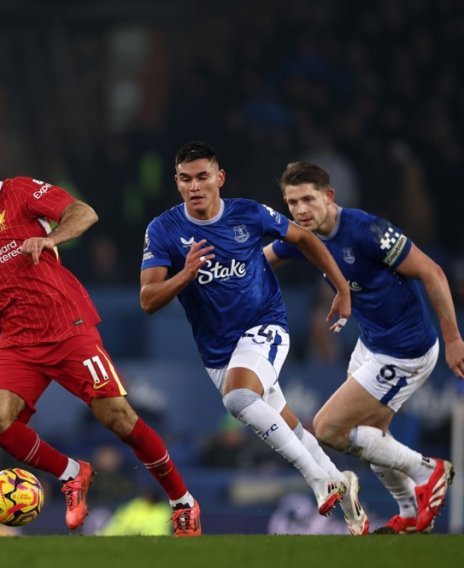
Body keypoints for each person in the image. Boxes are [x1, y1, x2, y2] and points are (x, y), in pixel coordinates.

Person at [0, 138, 201, 536]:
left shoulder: (20, 191)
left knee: (118, 418)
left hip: (65, 326)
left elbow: (84, 213)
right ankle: (72, 473)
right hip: (16, 341)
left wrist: (51, 238)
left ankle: (183, 502)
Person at [139, 141, 368, 535]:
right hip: (218, 352)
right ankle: (347, 497)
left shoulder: (247, 212)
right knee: (289, 425)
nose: (195, 186)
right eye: (186, 179)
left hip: (265, 326)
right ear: (177, 183)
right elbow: (147, 300)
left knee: (239, 398)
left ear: (219, 178)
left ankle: (319, 479)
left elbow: (305, 239)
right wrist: (185, 274)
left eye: (203, 177)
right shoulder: (163, 230)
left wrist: (341, 287)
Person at [263, 161, 462, 534]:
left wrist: (453, 339)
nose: (301, 210)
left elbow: (432, 272)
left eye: (308, 199)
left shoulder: (367, 230)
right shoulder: (302, 235)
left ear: (329, 196)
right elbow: (261, 261)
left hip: (405, 351)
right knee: (370, 438)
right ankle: (407, 510)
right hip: (371, 343)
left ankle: (427, 471)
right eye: (292, 202)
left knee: (328, 429)